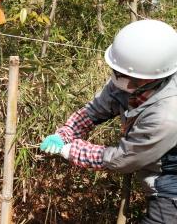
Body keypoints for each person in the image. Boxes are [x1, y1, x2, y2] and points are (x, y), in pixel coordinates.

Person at [40, 19, 177, 223]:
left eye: (123, 75)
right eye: (117, 72)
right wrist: (65, 133)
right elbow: (94, 111)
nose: (117, 78)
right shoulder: (129, 78)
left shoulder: (167, 115)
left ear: (150, 78)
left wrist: (72, 150)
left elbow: (124, 159)